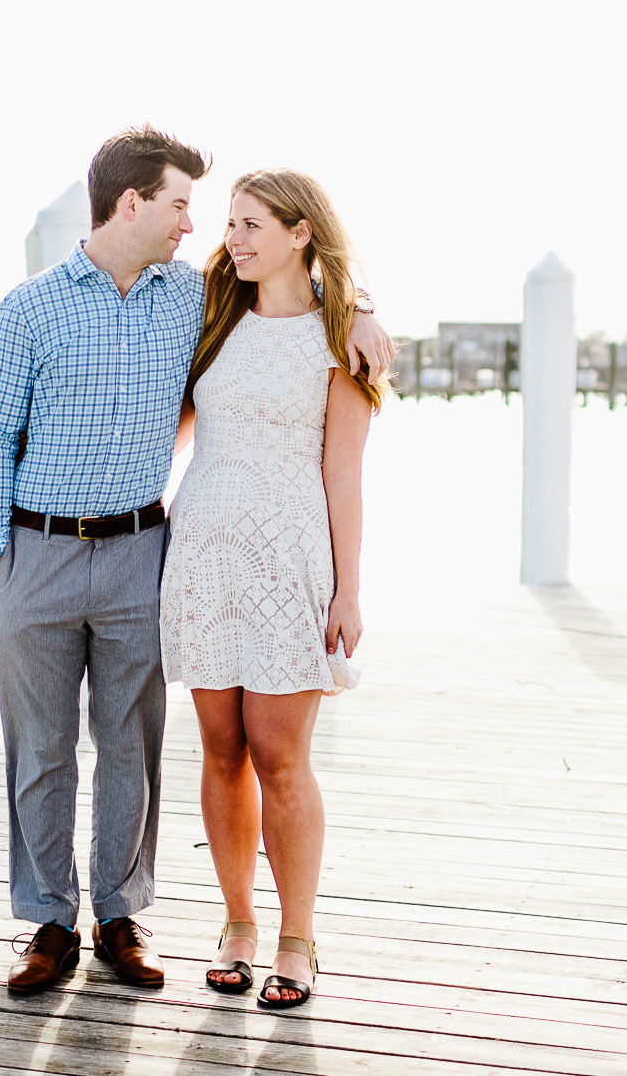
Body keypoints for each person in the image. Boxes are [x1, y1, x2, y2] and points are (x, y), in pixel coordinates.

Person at [0, 128, 392, 994]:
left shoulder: (263, 317)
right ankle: (96, 923)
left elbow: (333, 425)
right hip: (110, 554)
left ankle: (185, 926)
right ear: (134, 203)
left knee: (182, 747)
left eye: (232, 218)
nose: (208, 231)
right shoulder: (108, 307)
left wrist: (365, 305)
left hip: (206, 555)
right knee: (114, 748)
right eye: (192, 210)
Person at [159, 169, 385, 1009]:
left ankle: (298, 938)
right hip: (203, 560)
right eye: (230, 224)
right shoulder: (212, 320)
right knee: (221, 752)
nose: (235, 240)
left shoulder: (342, 342)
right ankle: (237, 925)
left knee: (281, 757)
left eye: (252, 224)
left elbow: (343, 474)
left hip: (291, 563)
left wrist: (348, 591)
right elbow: (173, 429)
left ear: (299, 232)